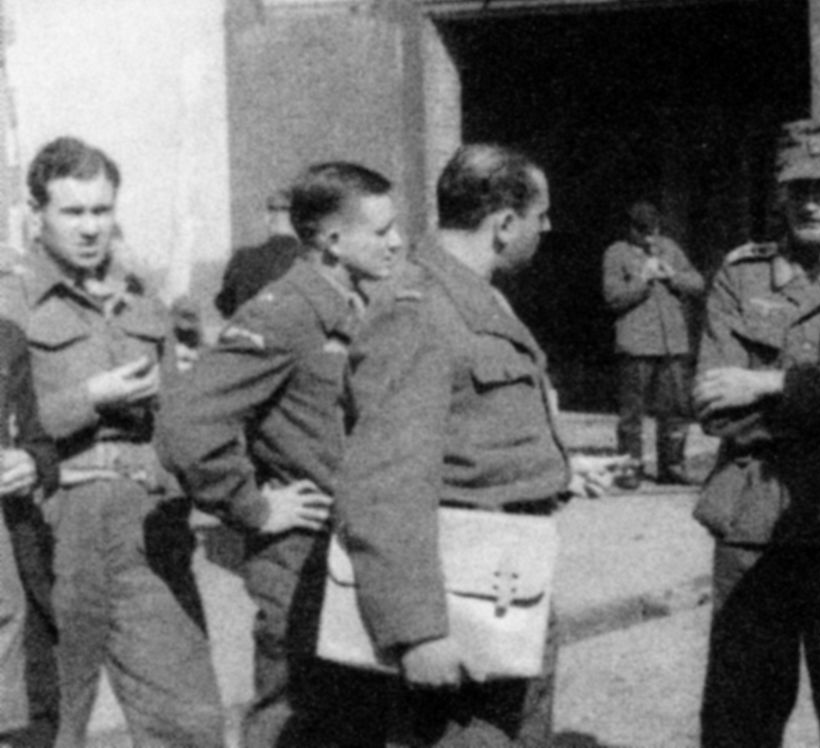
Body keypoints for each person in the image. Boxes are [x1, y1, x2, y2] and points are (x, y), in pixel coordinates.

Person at [159, 163, 404, 747]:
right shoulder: (285, 311)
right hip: (302, 565)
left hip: (356, 553)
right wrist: (254, 507)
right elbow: (186, 422)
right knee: (296, 720)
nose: (396, 241)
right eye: (382, 230)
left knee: (357, 723)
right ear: (332, 241)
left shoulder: (359, 305)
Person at [337, 144, 567, 747]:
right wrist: (418, 631)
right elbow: (384, 481)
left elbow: (475, 427)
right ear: (504, 224)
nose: (547, 228)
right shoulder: (419, 310)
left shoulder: (475, 296)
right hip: (456, 605)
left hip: (506, 583)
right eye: (540, 215)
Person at [0, 137, 225, 747]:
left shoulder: (140, 296)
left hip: (146, 530)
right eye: (73, 212)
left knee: (190, 723)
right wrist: (89, 398)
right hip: (54, 533)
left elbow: (179, 416)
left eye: (102, 211)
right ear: (35, 213)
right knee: (50, 724)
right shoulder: (10, 301)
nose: (91, 227)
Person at [691, 119, 820, 748]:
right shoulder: (742, 276)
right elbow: (716, 406)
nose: (809, 202)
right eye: (796, 188)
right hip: (754, 524)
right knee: (739, 720)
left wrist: (769, 386)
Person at [601, 201, 704, 488]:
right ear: (630, 228)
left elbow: (697, 283)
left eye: (653, 230)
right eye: (642, 231)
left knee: (676, 410)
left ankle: (672, 466)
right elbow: (613, 297)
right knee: (632, 414)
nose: (649, 237)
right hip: (636, 344)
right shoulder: (616, 253)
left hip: (672, 343)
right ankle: (629, 469)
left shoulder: (669, 248)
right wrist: (642, 279)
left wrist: (673, 276)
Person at [0, 319, 58, 748]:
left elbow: (37, 437)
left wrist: (32, 464)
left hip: (9, 566)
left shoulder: (6, 338)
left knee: (28, 723)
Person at [215, 189, 302, 319]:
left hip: (250, 334)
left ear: (268, 218)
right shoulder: (311, 260)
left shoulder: (243, 259)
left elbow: (225, 305)